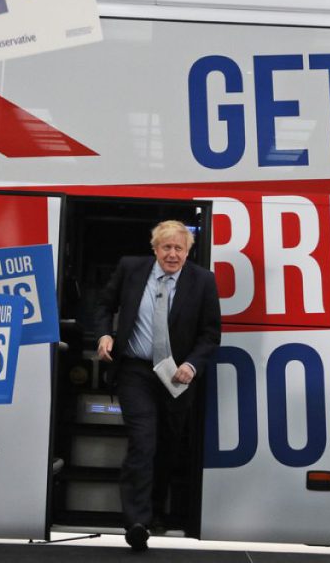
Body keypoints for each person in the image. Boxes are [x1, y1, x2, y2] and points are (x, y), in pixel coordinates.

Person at [94, 220, 221, 551]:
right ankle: (136, 521)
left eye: (179, 248)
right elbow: (104, 305)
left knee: (166, 446)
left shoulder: (203, 281)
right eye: (166, 247)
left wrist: (192, 365)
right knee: (143, 440)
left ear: (188, 251)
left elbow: (210, 333)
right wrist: (104, 333)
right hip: (135, 371)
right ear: (155, 249)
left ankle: (154, 511)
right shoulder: (131, 269)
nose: (173, 254)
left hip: (176, 376)